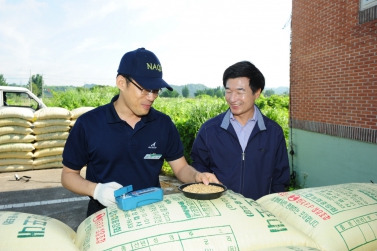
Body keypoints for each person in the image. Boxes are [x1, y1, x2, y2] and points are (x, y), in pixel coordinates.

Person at [61, 48, 219, 216]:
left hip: (151, 216)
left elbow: (181, 169)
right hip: (104, 219)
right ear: (121, 83)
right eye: (144, 88)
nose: (151, 97)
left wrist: (197, 176)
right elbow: (68, 175)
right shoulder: (89, 124)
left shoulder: (163, 125)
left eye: (156, 90)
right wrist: (96, 190)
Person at [190, 61, 290, 200]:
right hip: (221, 209)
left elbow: (280, 179)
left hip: (260, 212)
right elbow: (198, 166)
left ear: (257, 93)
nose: (232, 98)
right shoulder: (209, 130)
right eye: (228, 91)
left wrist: (270, 206)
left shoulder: (273, 132)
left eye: (240, 92)